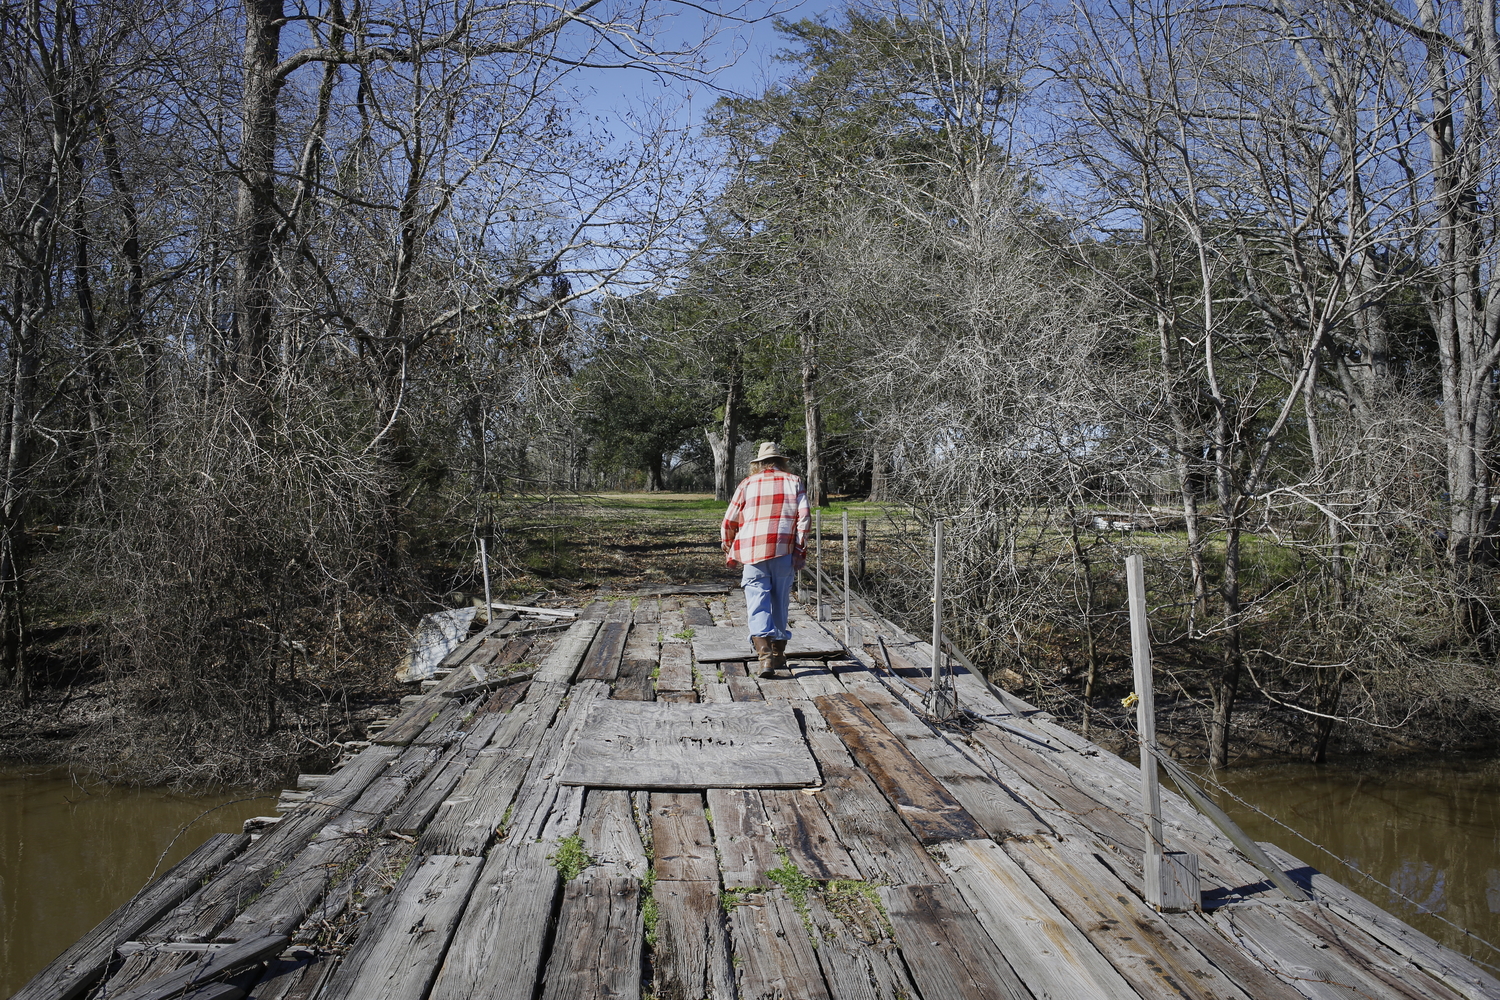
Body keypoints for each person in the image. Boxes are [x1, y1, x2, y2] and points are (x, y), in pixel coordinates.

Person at [721, 441, 811, 677]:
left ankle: (765, 659)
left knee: (757, 602)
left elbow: (729, 520)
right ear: (782, 462)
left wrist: (729, 545)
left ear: (759, 464)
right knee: (780, 601)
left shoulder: (747, 484)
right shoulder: (794, 482)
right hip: (784, 551)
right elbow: (804, 518)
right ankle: (779, 654)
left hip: (753, 552)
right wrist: (800, 549)